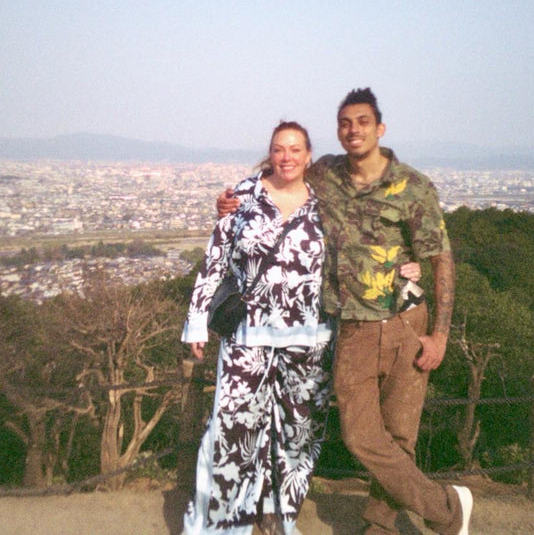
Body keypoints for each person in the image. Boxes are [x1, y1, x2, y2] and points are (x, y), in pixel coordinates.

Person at [218, 89, 472, 535]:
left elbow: (441, 259)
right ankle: (447, 509)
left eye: (363, 121)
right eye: (345, 123)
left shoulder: (412, 187)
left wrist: (441, 334)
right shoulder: (327, 173)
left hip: (406, 321)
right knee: (360, 437)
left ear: (380, 128)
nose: (353, 130)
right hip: (353, 325)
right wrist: (235, 201)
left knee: (400, 435)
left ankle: (381, 524)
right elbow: (283, 169)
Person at [181, 121, 332, 535]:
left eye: (295, 149)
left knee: (299, 435)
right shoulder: (243, 196)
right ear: (270, 153)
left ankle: (281, 517)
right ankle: (219, 525)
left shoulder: (326, 203)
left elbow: (360, 249)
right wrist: (197, 321)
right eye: (279, 148)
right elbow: (216, 257)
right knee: (231, 428)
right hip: (248, 333)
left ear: (308, 155)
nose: (287, 157)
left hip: (310, 337)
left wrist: (406, 264)